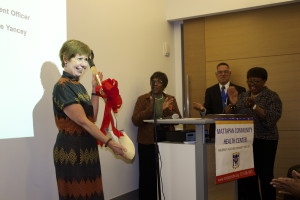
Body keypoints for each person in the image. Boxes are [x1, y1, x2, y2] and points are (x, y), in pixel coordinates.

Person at [52, 40, 128, 200]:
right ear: (65, 58)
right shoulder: (62, 86)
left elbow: (91, 117)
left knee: (92, 194)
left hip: (87, 148)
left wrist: (94, 90)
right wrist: (109, 142)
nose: (84, 64)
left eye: (86, 59)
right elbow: (83, 122)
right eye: (79, 58)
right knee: (77, 195)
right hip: (71, 150)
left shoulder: (77, 85)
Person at [225, 67, 282, 200]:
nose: (253, 85)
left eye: (256, 81)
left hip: (266, 140)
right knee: (248, 175)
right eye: (250, 81)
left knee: (265, 175)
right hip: (246, 141)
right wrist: (233, 104)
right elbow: (230, 114)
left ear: (264, 81)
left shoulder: (272, 96)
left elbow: (270, 120)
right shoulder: (244, 95)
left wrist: (254, 106)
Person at [131, 71, 182, 200]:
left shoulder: (170, 99)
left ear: (164, 85)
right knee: (147, 175)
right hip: (147, 142)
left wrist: (165, 109)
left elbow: (177, 119)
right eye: (153, 80)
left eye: (159, 81)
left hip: (166, 140)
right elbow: (135, 120)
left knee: (165, 174)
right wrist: (150, 109)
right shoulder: (143, 99)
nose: (155, 83)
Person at [193, 62, 246, 139]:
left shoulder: (240, 90)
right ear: (216, 74)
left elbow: (243, 112)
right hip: (216, 132)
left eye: (226, 72)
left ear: (230, 73)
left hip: (235, 131)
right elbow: (209, 113)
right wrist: (203, 110)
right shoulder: (210, 91)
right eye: (220, 72)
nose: (223, 74)